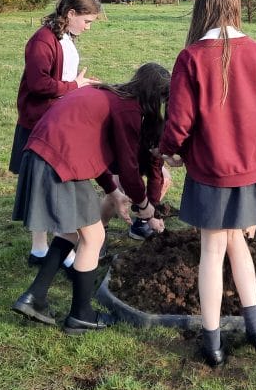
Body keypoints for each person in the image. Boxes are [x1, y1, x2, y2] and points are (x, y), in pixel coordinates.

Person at [158, 0, 256, 367]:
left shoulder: (191, 57)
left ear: (202, 9)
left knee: (212, 250)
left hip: (211, 168)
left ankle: (212, 343)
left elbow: (179, 119)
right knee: (237, 243)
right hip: (251, 167)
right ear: (236, 7)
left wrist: (169, 151)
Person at [11, 63, 170, 332]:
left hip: (42, 156)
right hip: (57, 162)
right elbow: (129, 170)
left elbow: (92, 153)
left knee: (72, 233)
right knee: (93, 236)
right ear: (155, 96)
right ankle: (81, 315)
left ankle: (34, 297)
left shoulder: (109, 96)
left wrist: (112, 192)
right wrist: (144, 208)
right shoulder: (128, 111)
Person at [9, 0, 120, 267]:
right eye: (87, 21)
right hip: (40, 123)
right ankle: (39, 249)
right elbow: (38, 84)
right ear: (71, 13)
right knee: (40, 187)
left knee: (54, 188)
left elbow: (64, 74)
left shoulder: (65, 37)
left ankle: (62, 245)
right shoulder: (42, 41)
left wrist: (80, 85)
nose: (89, 27)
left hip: (58, 120)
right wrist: (74, 87)